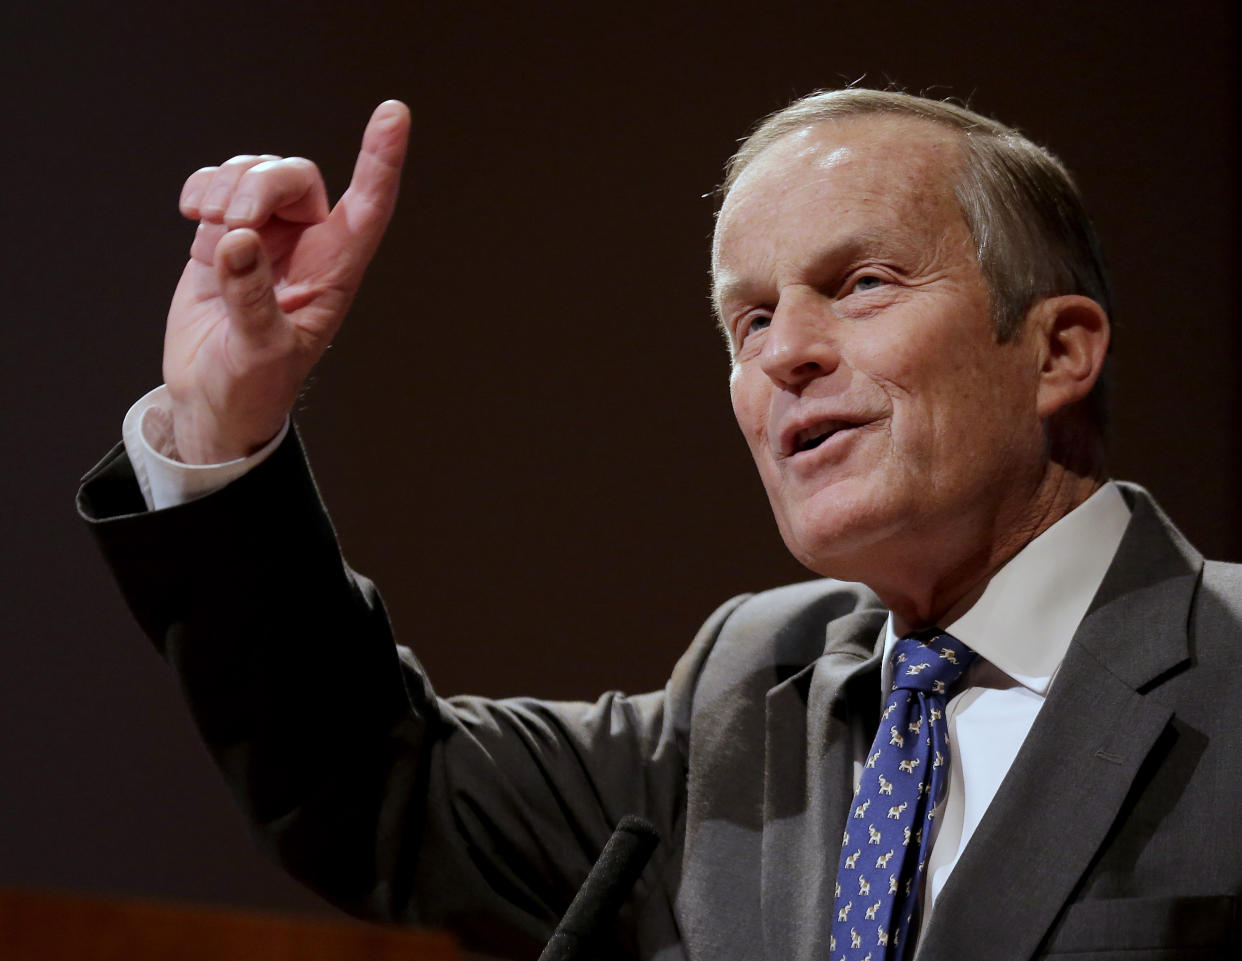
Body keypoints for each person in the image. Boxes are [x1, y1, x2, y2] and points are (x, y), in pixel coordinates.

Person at [78, 90, 1241, 960]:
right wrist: (224, 425)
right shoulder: (750, 687)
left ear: (1057, 351)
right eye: (748, 320)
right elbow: (377, 790)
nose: (786, 352)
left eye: (864, 282)